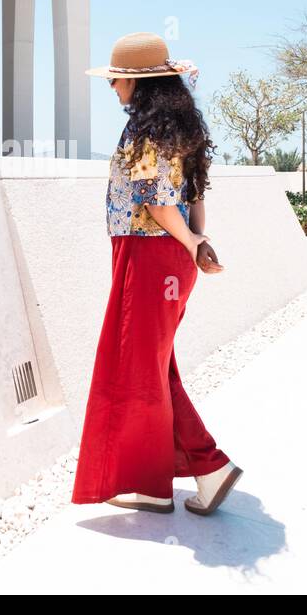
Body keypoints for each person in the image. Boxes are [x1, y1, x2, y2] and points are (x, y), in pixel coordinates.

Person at [70, 32, 243, 516]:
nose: (112, 88)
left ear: (140, 84)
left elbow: (156, 201)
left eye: (118, 79)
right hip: (167, 257)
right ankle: (181, 476)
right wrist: (197, 242)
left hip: (148, 256)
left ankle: (198, 470)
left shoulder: (147, 135)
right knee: (151, 367)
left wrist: (189, 243)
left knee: (138, 369)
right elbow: (195, 196)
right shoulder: (181, 131)